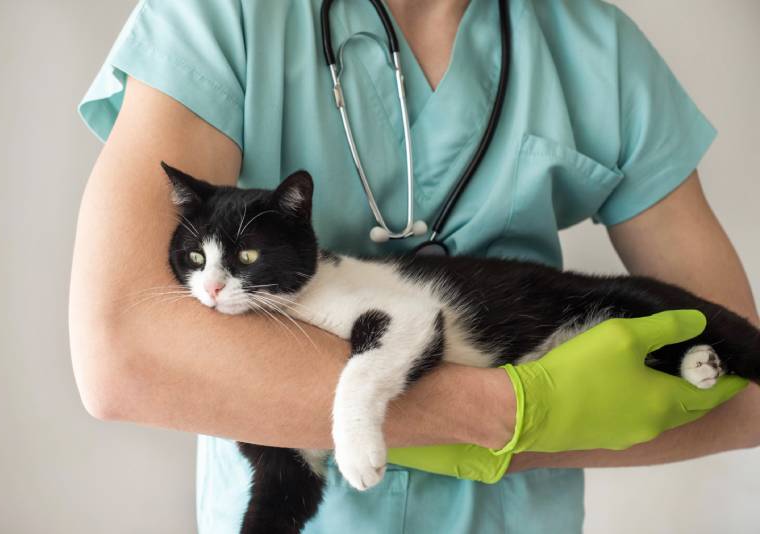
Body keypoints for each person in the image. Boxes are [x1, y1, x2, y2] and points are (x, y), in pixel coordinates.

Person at [69, 0, 760, 532]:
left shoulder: (595, 47)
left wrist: (536, 420)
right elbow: (122, 352)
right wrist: (509, 415)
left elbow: (746, 393)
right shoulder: (224, 16)